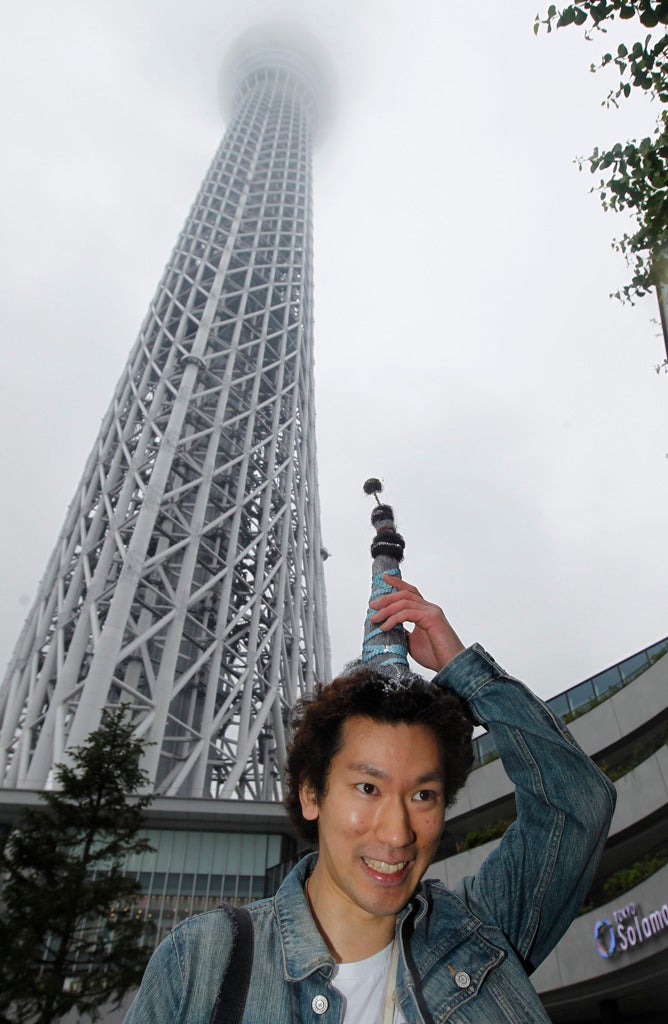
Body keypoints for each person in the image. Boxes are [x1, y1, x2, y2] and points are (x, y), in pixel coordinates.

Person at [124, 575, 616, 1024]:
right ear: (311, 793)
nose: (398, 833)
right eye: (368, 788)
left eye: (424, 794)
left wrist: (462, 668)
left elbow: (579, 801)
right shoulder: (203, 963)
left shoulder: (480, 934)